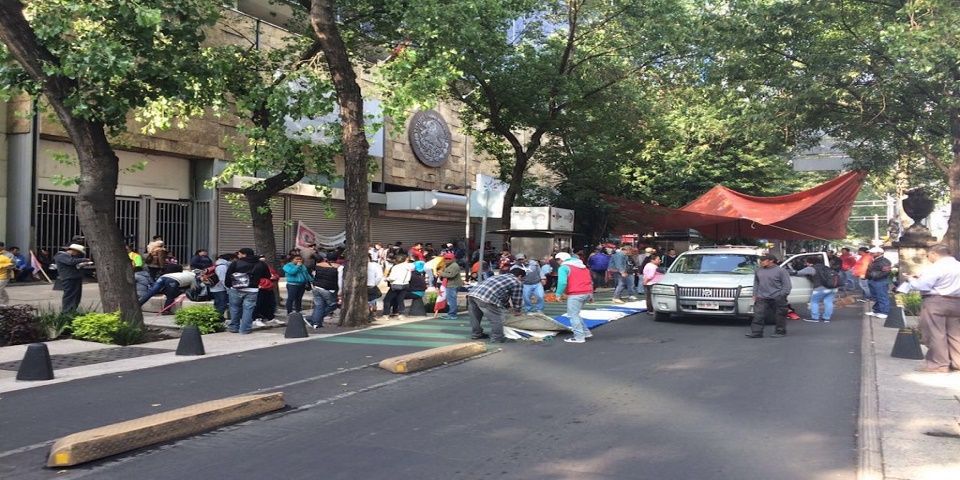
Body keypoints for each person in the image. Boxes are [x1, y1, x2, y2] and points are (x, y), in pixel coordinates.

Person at [905, 244, 960, 372]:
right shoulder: (958, 265)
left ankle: (939, 364)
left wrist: (911, 280)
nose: (928, 257)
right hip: (957, 302)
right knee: (955, 333)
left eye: (928, 255)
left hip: (936, 301)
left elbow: (922, 285)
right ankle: (957, 361)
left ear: (935, 253)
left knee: (935, 332)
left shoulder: (936, 267)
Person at [466, 267, 525, 343]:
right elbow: (517, 298)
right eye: (523, 279)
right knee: (497, 318)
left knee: (475, 317)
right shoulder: (516, 281)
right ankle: (497, 338)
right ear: (520, 276)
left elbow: (502, 295)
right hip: (486, 297)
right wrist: (517, 310)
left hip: (472, 294)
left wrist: (507, 306)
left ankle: (476, 334)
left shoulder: (498, 276)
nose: (522, 281)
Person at [224, 248, 269, 334]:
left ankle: (234, 327)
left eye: (239, 254)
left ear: (244, 254)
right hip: (252, 289)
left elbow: (228, 275)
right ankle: (245, 329)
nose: (238, 255)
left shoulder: (236, 263)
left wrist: (229, 285)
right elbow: (267, 275)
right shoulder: (261, 264)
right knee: (248, 309)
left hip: (236, 288)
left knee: (234, 308)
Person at [747, 254, 792, 338]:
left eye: (763, 260)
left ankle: (780, 332)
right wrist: (755, 294)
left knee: (779, 315)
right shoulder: (758, 270)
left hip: (777, 297)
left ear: (771, 261)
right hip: (761, 297)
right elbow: (756, 283)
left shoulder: (781, 271)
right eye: (760, 261)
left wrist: (782, 295)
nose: (761, 262)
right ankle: (756, 332)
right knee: (758, 315)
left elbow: (787, 285)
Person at [554, 252, 595, 343]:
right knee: (575, 314)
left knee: (573, 315)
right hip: (587, 292)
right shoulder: (582, 266)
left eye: (557, 260)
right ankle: (585, 332)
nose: (557, 262)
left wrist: (558, 294)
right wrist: (591, 294)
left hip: (575, 293)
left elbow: (562, 282)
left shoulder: (563, 267)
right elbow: (590, 281)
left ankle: (579, 337)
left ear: (561, 259)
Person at [797, 256, 837, 323]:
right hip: (832, 287)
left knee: (814, 302)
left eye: (807, 262)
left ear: (810, 262)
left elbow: (798, 273)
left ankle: (815, 318)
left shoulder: (811, 268)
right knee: (828, 302)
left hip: (820, 288)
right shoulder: (826, 267)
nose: (806, 264)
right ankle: (827, 318)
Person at [55, 244, 91, 313]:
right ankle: (67, 311)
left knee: (76, 296)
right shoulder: (61, 255)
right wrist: (84, 259)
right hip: (69, 278)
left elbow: (72, 264)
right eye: (78, 252)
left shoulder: (68, 256)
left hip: (74, 277)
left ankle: (73, 310)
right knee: (70, 295)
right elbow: (71, 262)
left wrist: (81, 264)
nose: (77, 254)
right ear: (74, 250)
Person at [309, 253, 340, 328]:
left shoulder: (318, 265)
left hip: (316, 287)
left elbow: (314, 274)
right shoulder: (339, 267)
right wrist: (340, 291)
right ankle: (314, 319)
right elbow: (340, 280)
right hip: (329, 289)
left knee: (319, 306)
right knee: (333, 305)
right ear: (337, 259)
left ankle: (316, 323)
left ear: (326, 258)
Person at [865, 246, 892, 319]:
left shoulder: (884, 261)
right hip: (873, 280)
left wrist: (874, 275)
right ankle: (877, 311)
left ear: (879, 253)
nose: (871, 254)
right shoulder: (875, 260)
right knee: (876, 297)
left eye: (873, 253)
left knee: (882, 296)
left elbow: (886, 272)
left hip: (880, 281)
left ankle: (885, 312)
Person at [254, 257, 281, 327]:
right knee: (258, 303)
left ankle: (270, 317)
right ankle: (256, 318)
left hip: (268, 287)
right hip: (260, 287)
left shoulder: (268, 267)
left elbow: (275, 274)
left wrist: (274, 277)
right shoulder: (255, 266)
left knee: (269, 303)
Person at [438, 252, 463, 318]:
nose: (447, 260)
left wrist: (441, 273)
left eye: (449, 258)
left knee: (452, 300)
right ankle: (451, 313)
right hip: (450, 285)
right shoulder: (448, 265)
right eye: (446, 258)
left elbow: (451, 275)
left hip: (453, 285)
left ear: (453, 259)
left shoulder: (454, 265)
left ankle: (452, 314)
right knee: (451, 300)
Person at [209, 254, 233, 321]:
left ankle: (216, 318)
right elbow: (222, 279)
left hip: (216, 288)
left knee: (218, 304)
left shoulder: (218, 264)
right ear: (229, 259)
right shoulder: (222, 267)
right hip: (220, 288)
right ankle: (218, 319)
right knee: (222, 304)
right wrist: (228, 288)